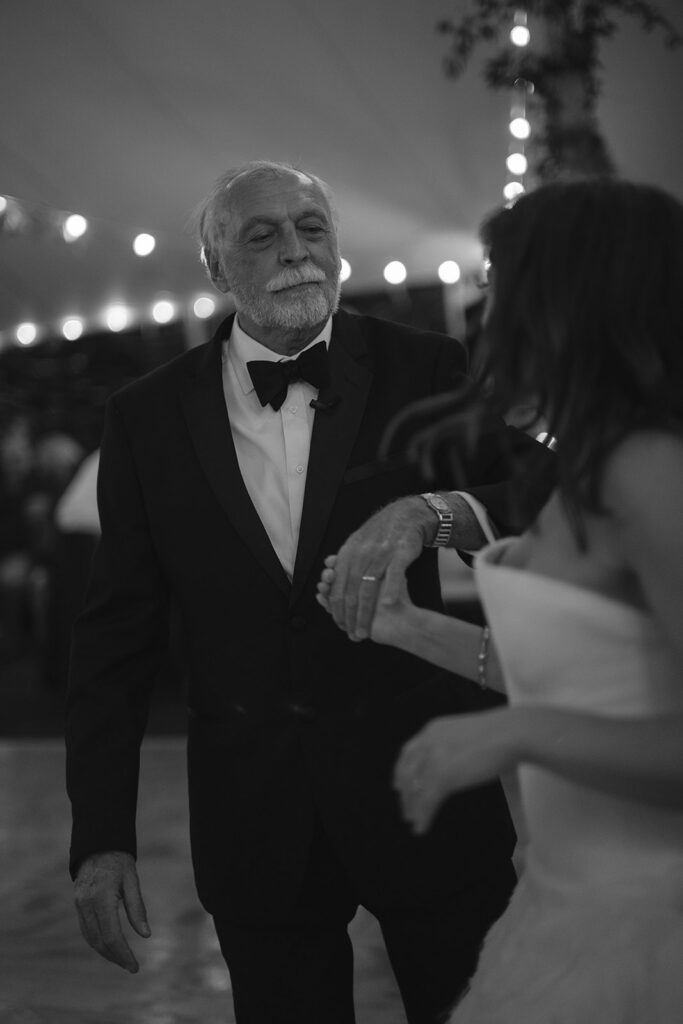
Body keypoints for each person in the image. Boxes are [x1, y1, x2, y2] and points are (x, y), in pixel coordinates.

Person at [65, 160, 553, 1024]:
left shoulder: (426, 365)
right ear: (218, 269)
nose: (294, 250)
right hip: (255, 820)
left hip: (427, 794)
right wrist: (101, 837)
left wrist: (437, 512)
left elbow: (550, 496)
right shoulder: (146, 417)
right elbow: (116, 638)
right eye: (262, 235)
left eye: (311, 228)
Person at [319, 178, 683, 1022]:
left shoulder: (648, 472)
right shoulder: (589, 470)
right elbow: (584, 682)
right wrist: (405, 629)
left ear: (572, 300)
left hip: (647, 924)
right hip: (559, 905)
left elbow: (547, 714)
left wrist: (513, 733)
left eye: (504, 283)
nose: (489, 310)